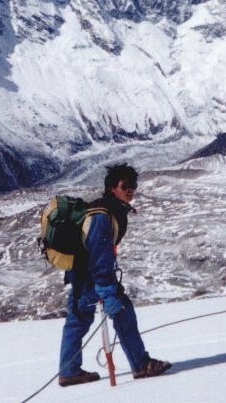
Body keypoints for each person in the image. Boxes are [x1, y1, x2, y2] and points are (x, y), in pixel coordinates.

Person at [57, 163, 172, 387]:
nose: (131, 190)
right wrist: (107, 291)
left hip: (81, 276)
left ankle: (69, 371)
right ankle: (140, 365)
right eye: (126, 185)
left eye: (134, 185)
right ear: (112, 188)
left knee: (78, 321)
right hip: (90, 278)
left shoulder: (107, 210)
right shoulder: (103, 216)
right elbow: (100, 258)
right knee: (121, 312)